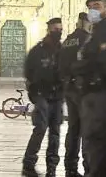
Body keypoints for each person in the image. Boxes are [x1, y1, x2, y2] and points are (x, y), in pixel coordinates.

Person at [78, 0, 106, 177]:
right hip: (96, 92)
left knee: (96, 141)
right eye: (90, 7)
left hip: (100, 91)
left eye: (97, 5)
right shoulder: (95, 31)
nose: (93, 10)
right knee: (101, 141)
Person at [22, 17, 64, 177]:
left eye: (60, 30)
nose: (58, 33)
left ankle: (51, 168)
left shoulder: (62, 50)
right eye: (55, 29)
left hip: (58, 96)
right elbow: (28, 72)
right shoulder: (37, 50)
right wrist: (35, 91)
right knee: (40, 129)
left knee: (55, 133)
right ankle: (28, 164)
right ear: (49, 29)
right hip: (42, 95)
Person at [58, 12, 91, 177]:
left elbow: (60, 62)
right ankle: (88, 167)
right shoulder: (87, 39)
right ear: (85, 22)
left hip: (69, 89)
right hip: (82, 89)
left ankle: (70, 167)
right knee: (87, 128)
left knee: (73, 128)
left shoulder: (67, 40)